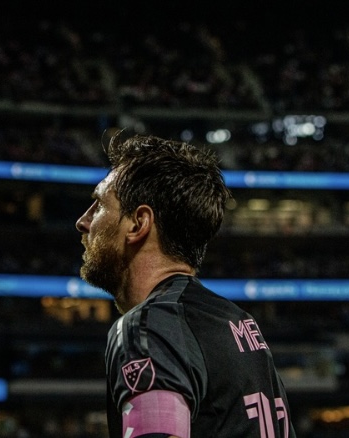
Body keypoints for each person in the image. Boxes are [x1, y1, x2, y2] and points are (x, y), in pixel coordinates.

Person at [75, 132, 296, 438]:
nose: (83, 221)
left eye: (99, 205)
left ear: (138, 224)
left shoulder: (148, 325)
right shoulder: (239, 323)